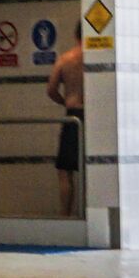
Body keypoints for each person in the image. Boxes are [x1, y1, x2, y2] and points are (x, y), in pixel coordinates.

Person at [47, 41, 87, 218]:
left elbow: (51, 89)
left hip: (73, 115)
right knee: (94, 165)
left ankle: (66, 215)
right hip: (94, 116)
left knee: (65, 170)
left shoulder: (66, 59)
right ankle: (93, 211)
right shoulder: (97, 56)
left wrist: (65, 101)